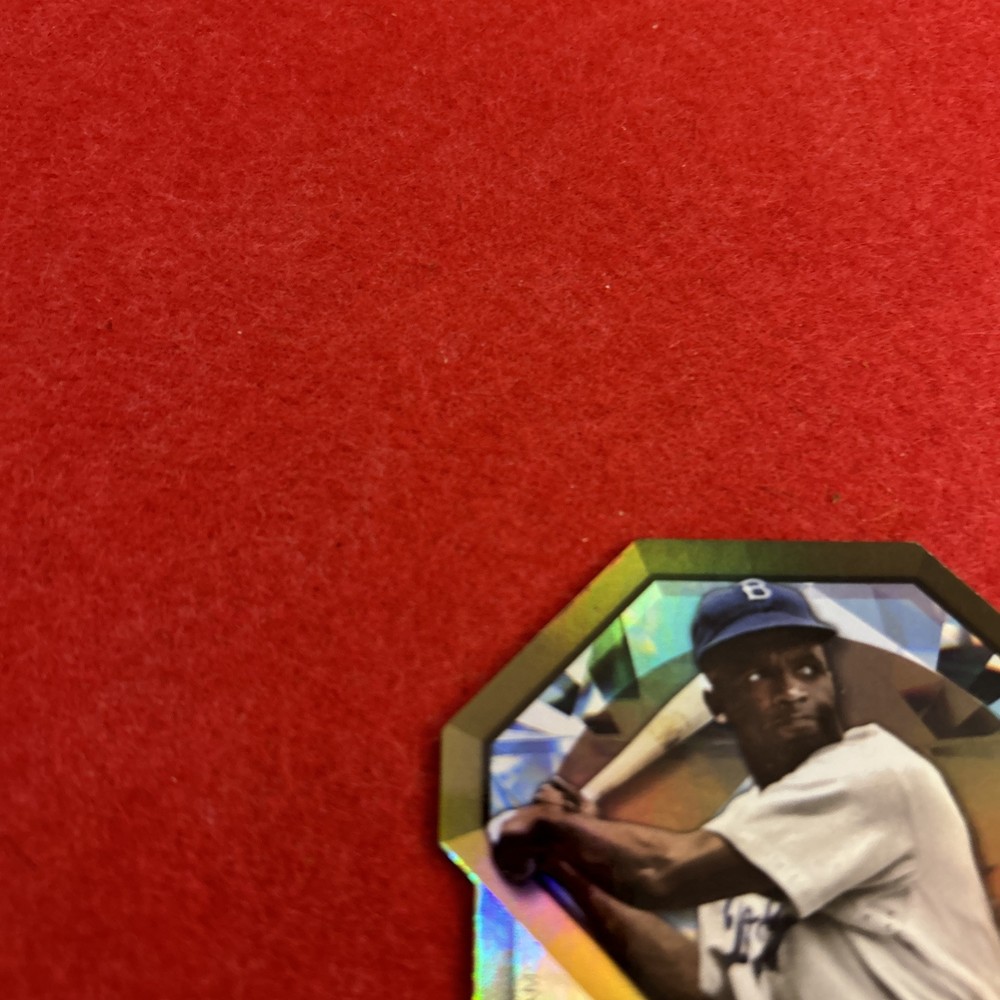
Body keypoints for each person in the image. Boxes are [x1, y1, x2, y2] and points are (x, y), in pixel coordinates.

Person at [492, 579, 1000, 1000]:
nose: (792, 692)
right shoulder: (745, 826)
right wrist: (566, 860)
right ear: (719, 705)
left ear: (831, 681)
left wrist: (558, 826)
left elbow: (661, 873)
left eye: (807, 669)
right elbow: (699, 988)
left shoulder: (874, 773)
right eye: (758, 675)